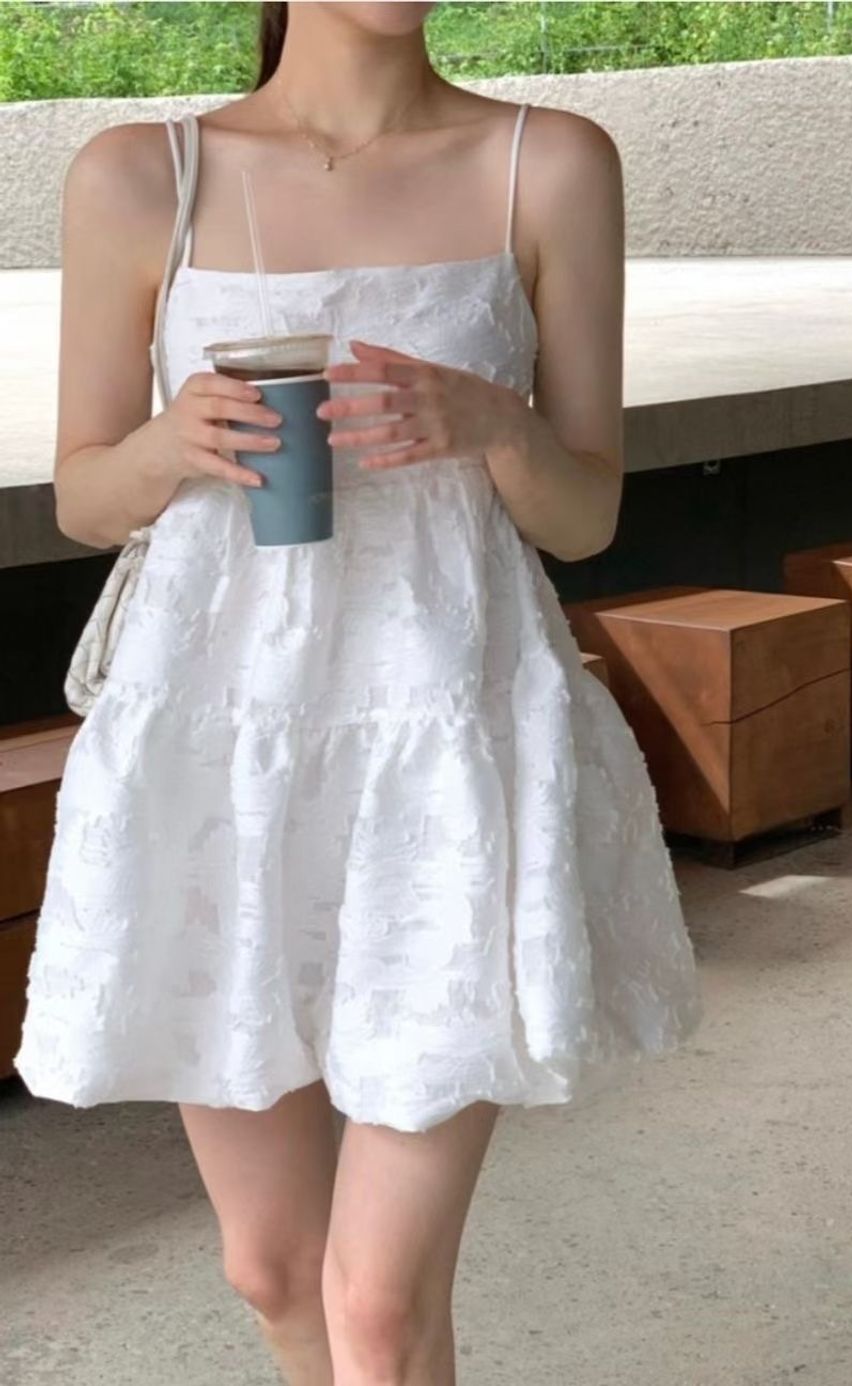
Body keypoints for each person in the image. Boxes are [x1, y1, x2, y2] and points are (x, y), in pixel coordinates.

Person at [15, 3, 702, 1382]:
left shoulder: (550, 162)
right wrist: (170, 443)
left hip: (443, 744)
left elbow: (585, 518)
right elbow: (85, 494)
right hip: (220, 750)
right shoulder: (141, 175)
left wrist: (495, 425)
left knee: (379, 1308)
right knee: (272, 1269)